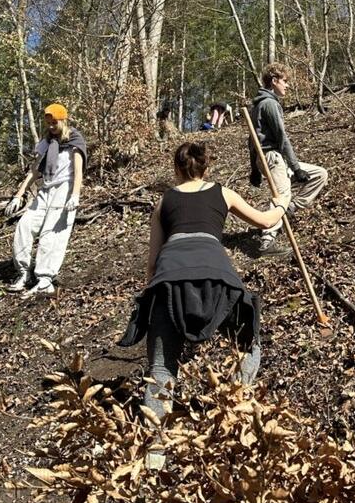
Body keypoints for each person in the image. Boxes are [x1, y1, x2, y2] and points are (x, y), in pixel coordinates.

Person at [117, 142, 290, 426]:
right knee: (248, 344)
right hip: (218, 279)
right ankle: (235, 405)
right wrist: (281, 202)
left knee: (161, 367)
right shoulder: (223, 193)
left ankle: (155, 441)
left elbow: (151, 264)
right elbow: (265, 221)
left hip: (168, 280)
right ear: (206, 168)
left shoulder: (163, 202)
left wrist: (154, 298)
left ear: (176, 168)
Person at [3, 103, 88, 298]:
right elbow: (35, 170)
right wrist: (18, 195)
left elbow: (78, 171)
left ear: (63, 120)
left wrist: (75, 195)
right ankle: (24, 273)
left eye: (54, 122)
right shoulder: (47, 142)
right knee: (24, 226)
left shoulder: (75, 140)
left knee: (52, 234)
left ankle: (44, 280)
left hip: (64, 189)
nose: (51, 126)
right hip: (46, 189)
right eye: (48, 123)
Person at [248, 63, 329, 256]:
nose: (287, 85)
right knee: (282, 195)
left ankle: (289, 209)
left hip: (271, 158)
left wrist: (255, 168)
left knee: (319, 174)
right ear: (274, 81)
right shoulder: (268, 104)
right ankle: (267, 241)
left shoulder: (260, 104)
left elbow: (251, 140)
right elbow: (281, 138)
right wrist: (295, 167)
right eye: (284, 81)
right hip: (272, 157)